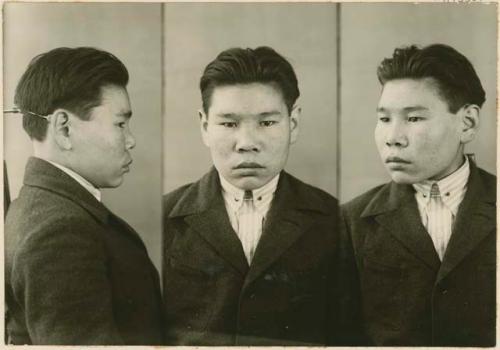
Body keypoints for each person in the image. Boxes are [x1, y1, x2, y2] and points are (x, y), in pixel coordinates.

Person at [162, 46, 358, 345]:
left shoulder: (335, 221)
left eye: (266, 123)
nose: (247, 143)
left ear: (292, 124)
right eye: (229, 123)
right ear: (204, 126)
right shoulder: (163, 218)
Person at [5, 47, 164, 345]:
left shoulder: (39, 208)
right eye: (120, 123)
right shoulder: (59, 232)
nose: (131, 140)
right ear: (64, 129)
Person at [341, 44, 496, 346]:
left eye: (413, 119)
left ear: (468, 123)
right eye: (384, 119)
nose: (393, 139)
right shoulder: (350, 223)